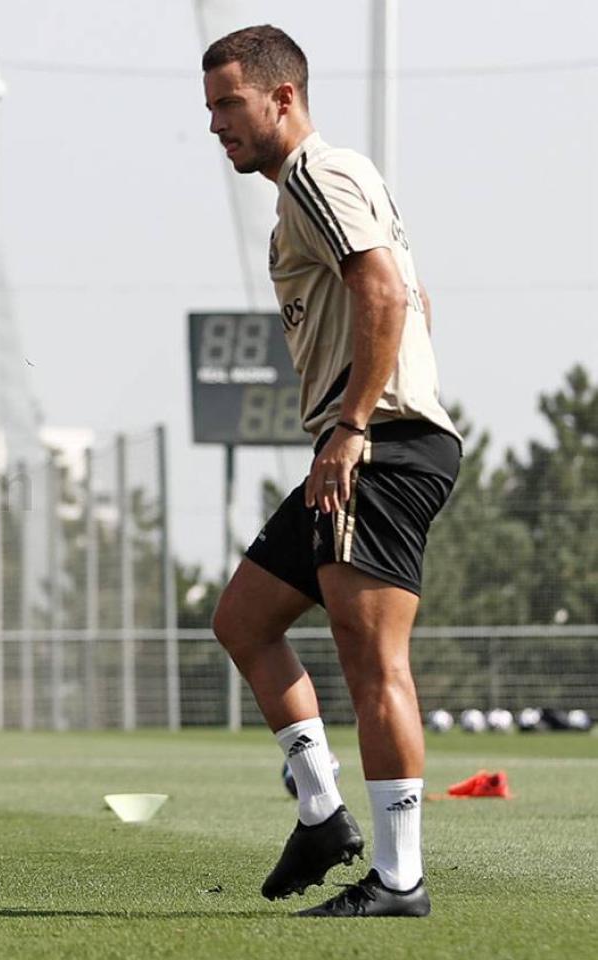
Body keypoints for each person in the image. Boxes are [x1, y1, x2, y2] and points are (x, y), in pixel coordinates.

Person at [202, 25, 461, 918]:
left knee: (371, 656)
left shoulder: (319, 173)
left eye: (229, 105)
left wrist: (354, 424)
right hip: (355, 443)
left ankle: (399, 881)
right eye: (209, 110)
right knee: (243, 620)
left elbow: (386, 292)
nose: (216, 125)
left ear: (282, 98)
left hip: (379, 445)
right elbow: (409, 296)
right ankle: (321, 815)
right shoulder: (307, 192)